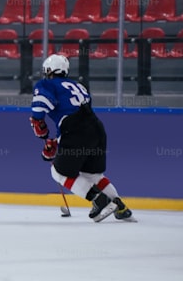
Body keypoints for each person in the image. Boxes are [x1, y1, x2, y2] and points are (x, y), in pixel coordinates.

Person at [30, 54, 133, 222]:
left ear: (49, 71)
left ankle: (100, 201)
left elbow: (39, 112)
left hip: (76, 131)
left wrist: (40, 129)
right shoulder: (79, 86)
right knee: (93, 176)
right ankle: (120, 207)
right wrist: (57, 141)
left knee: (58, 172)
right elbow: (76, 115)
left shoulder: (46, 84)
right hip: (97, 129)